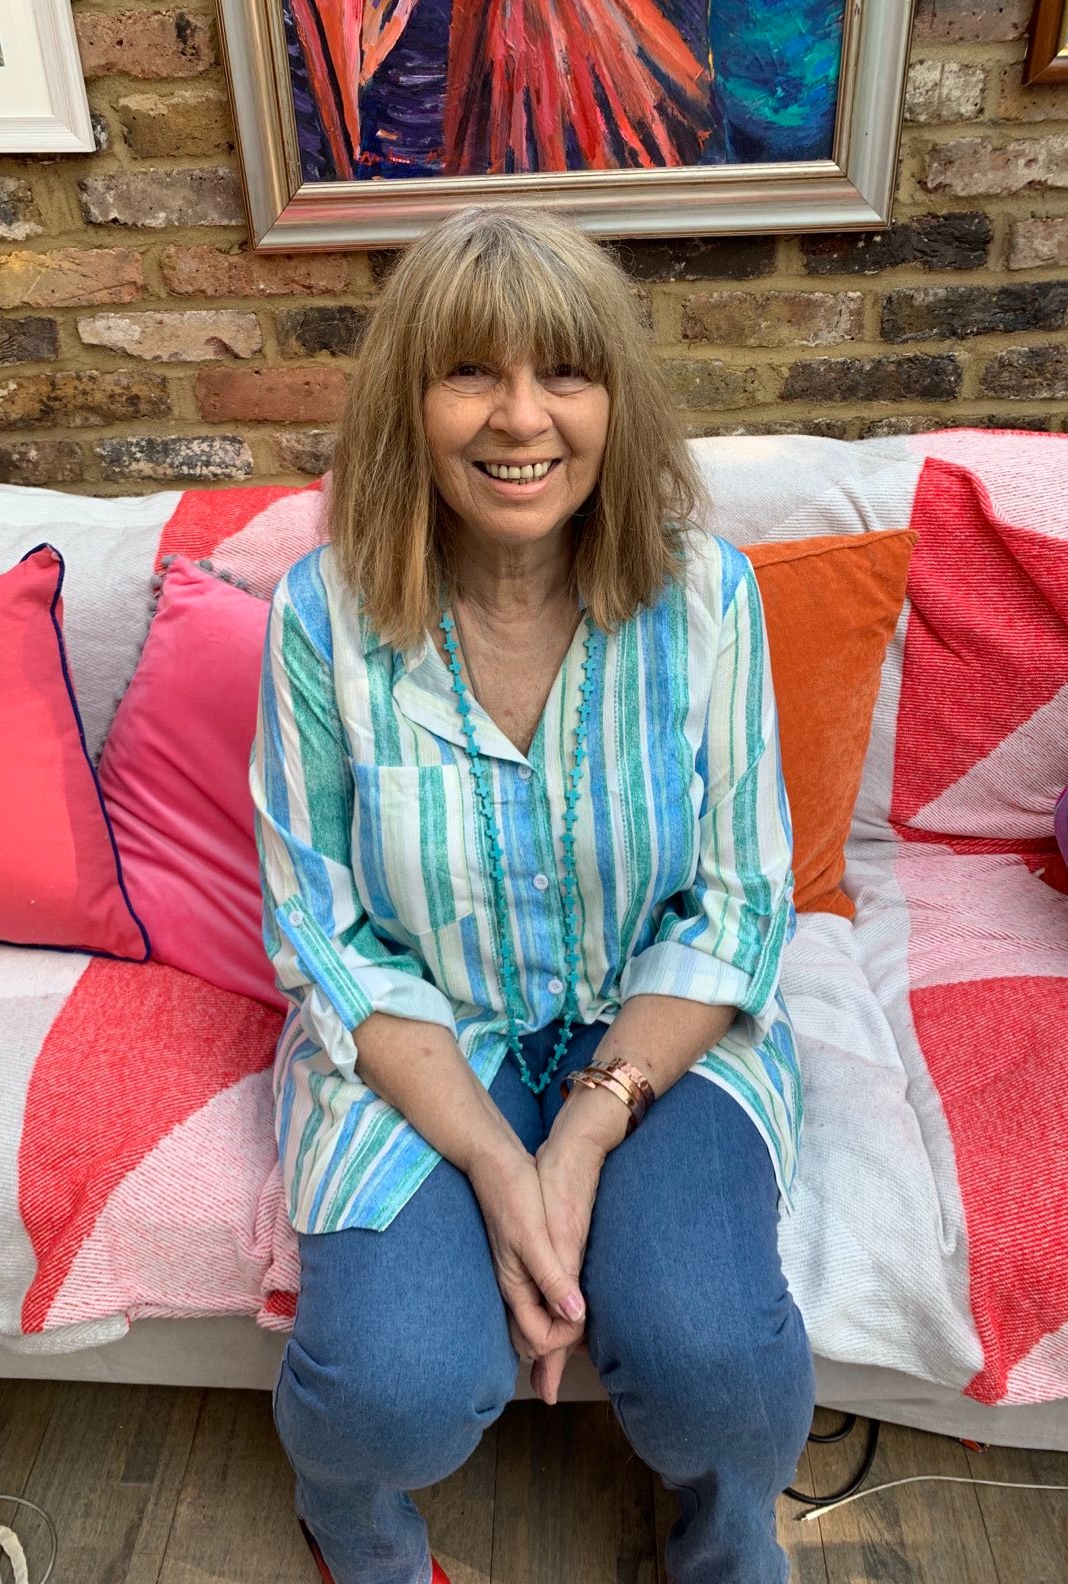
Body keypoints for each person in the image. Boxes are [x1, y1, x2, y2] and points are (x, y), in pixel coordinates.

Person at [251, 205, 814, 1584]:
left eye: (563, 371)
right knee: (388, 1391)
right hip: (425, 1044)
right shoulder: (321, 621)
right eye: (470, 374)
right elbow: (320, 934)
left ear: (615, 397)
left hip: (655, 1038)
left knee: (720, 1366)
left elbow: (740, 904)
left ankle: (728, 1552)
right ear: (410, 404)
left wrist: (582, 1135)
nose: (521, 419)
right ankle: (357, 1534)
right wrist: (505, 1167)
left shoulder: (705, 599)